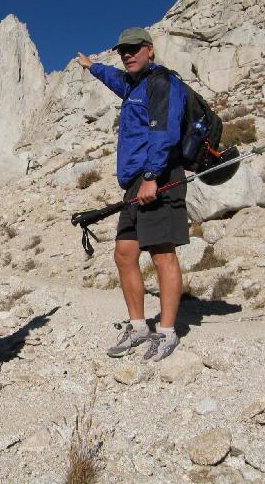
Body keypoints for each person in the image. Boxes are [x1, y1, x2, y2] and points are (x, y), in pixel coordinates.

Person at [76, 27, 188, 363]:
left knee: (162, 254)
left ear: (150, 50)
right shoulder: (132, 85)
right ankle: (139, 327)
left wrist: (152, 177)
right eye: (123, 50)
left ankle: (167, 332)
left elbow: (165, 132)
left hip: (158, 175)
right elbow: (113, 77)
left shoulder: (162, 83)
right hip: (135, 185)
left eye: (134, 49)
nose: (128, 55)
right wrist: (92, 66)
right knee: (125, 253)